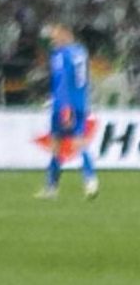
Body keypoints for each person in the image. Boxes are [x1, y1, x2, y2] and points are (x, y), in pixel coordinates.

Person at [40, 23, 98, 199]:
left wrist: (63, 106)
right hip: (81, 102)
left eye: (55, 37)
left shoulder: (60, 54)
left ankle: (52, 187)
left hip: (64, 105)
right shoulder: (81, 51)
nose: (53, 41)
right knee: (80, 142)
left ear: (65, 35)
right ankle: (90, 180)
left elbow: (62, 80)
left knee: (56, 145)